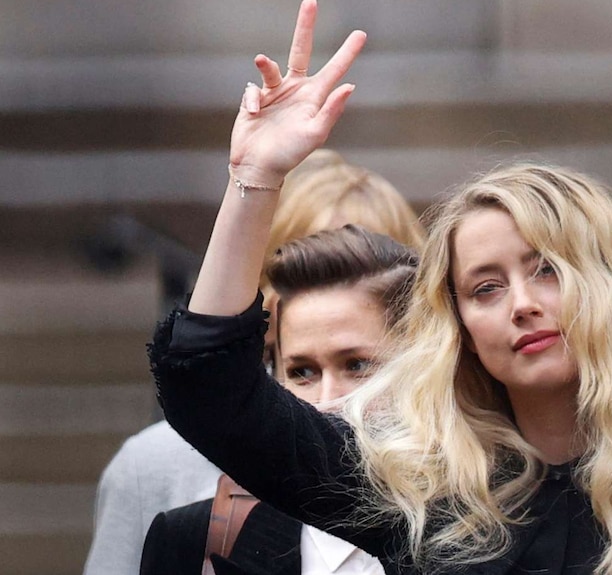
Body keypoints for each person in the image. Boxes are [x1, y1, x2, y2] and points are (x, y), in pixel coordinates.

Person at [149, 1, 612, 573]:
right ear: (458, 324)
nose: (522, 302)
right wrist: (255, 177)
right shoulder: (414, 491)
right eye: (485, 288)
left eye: (547, 267)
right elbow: (209, 387)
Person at [84, 149, 423, 575]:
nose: (328, 400)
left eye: (379, 259)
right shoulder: (158, 469)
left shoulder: (476, 497)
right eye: (303, 260)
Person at [140, 225, 417, 575]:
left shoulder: (478, 542)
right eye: (302, 372)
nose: (327, 401)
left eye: (357, 366)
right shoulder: (193, 542)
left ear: (422, 368)